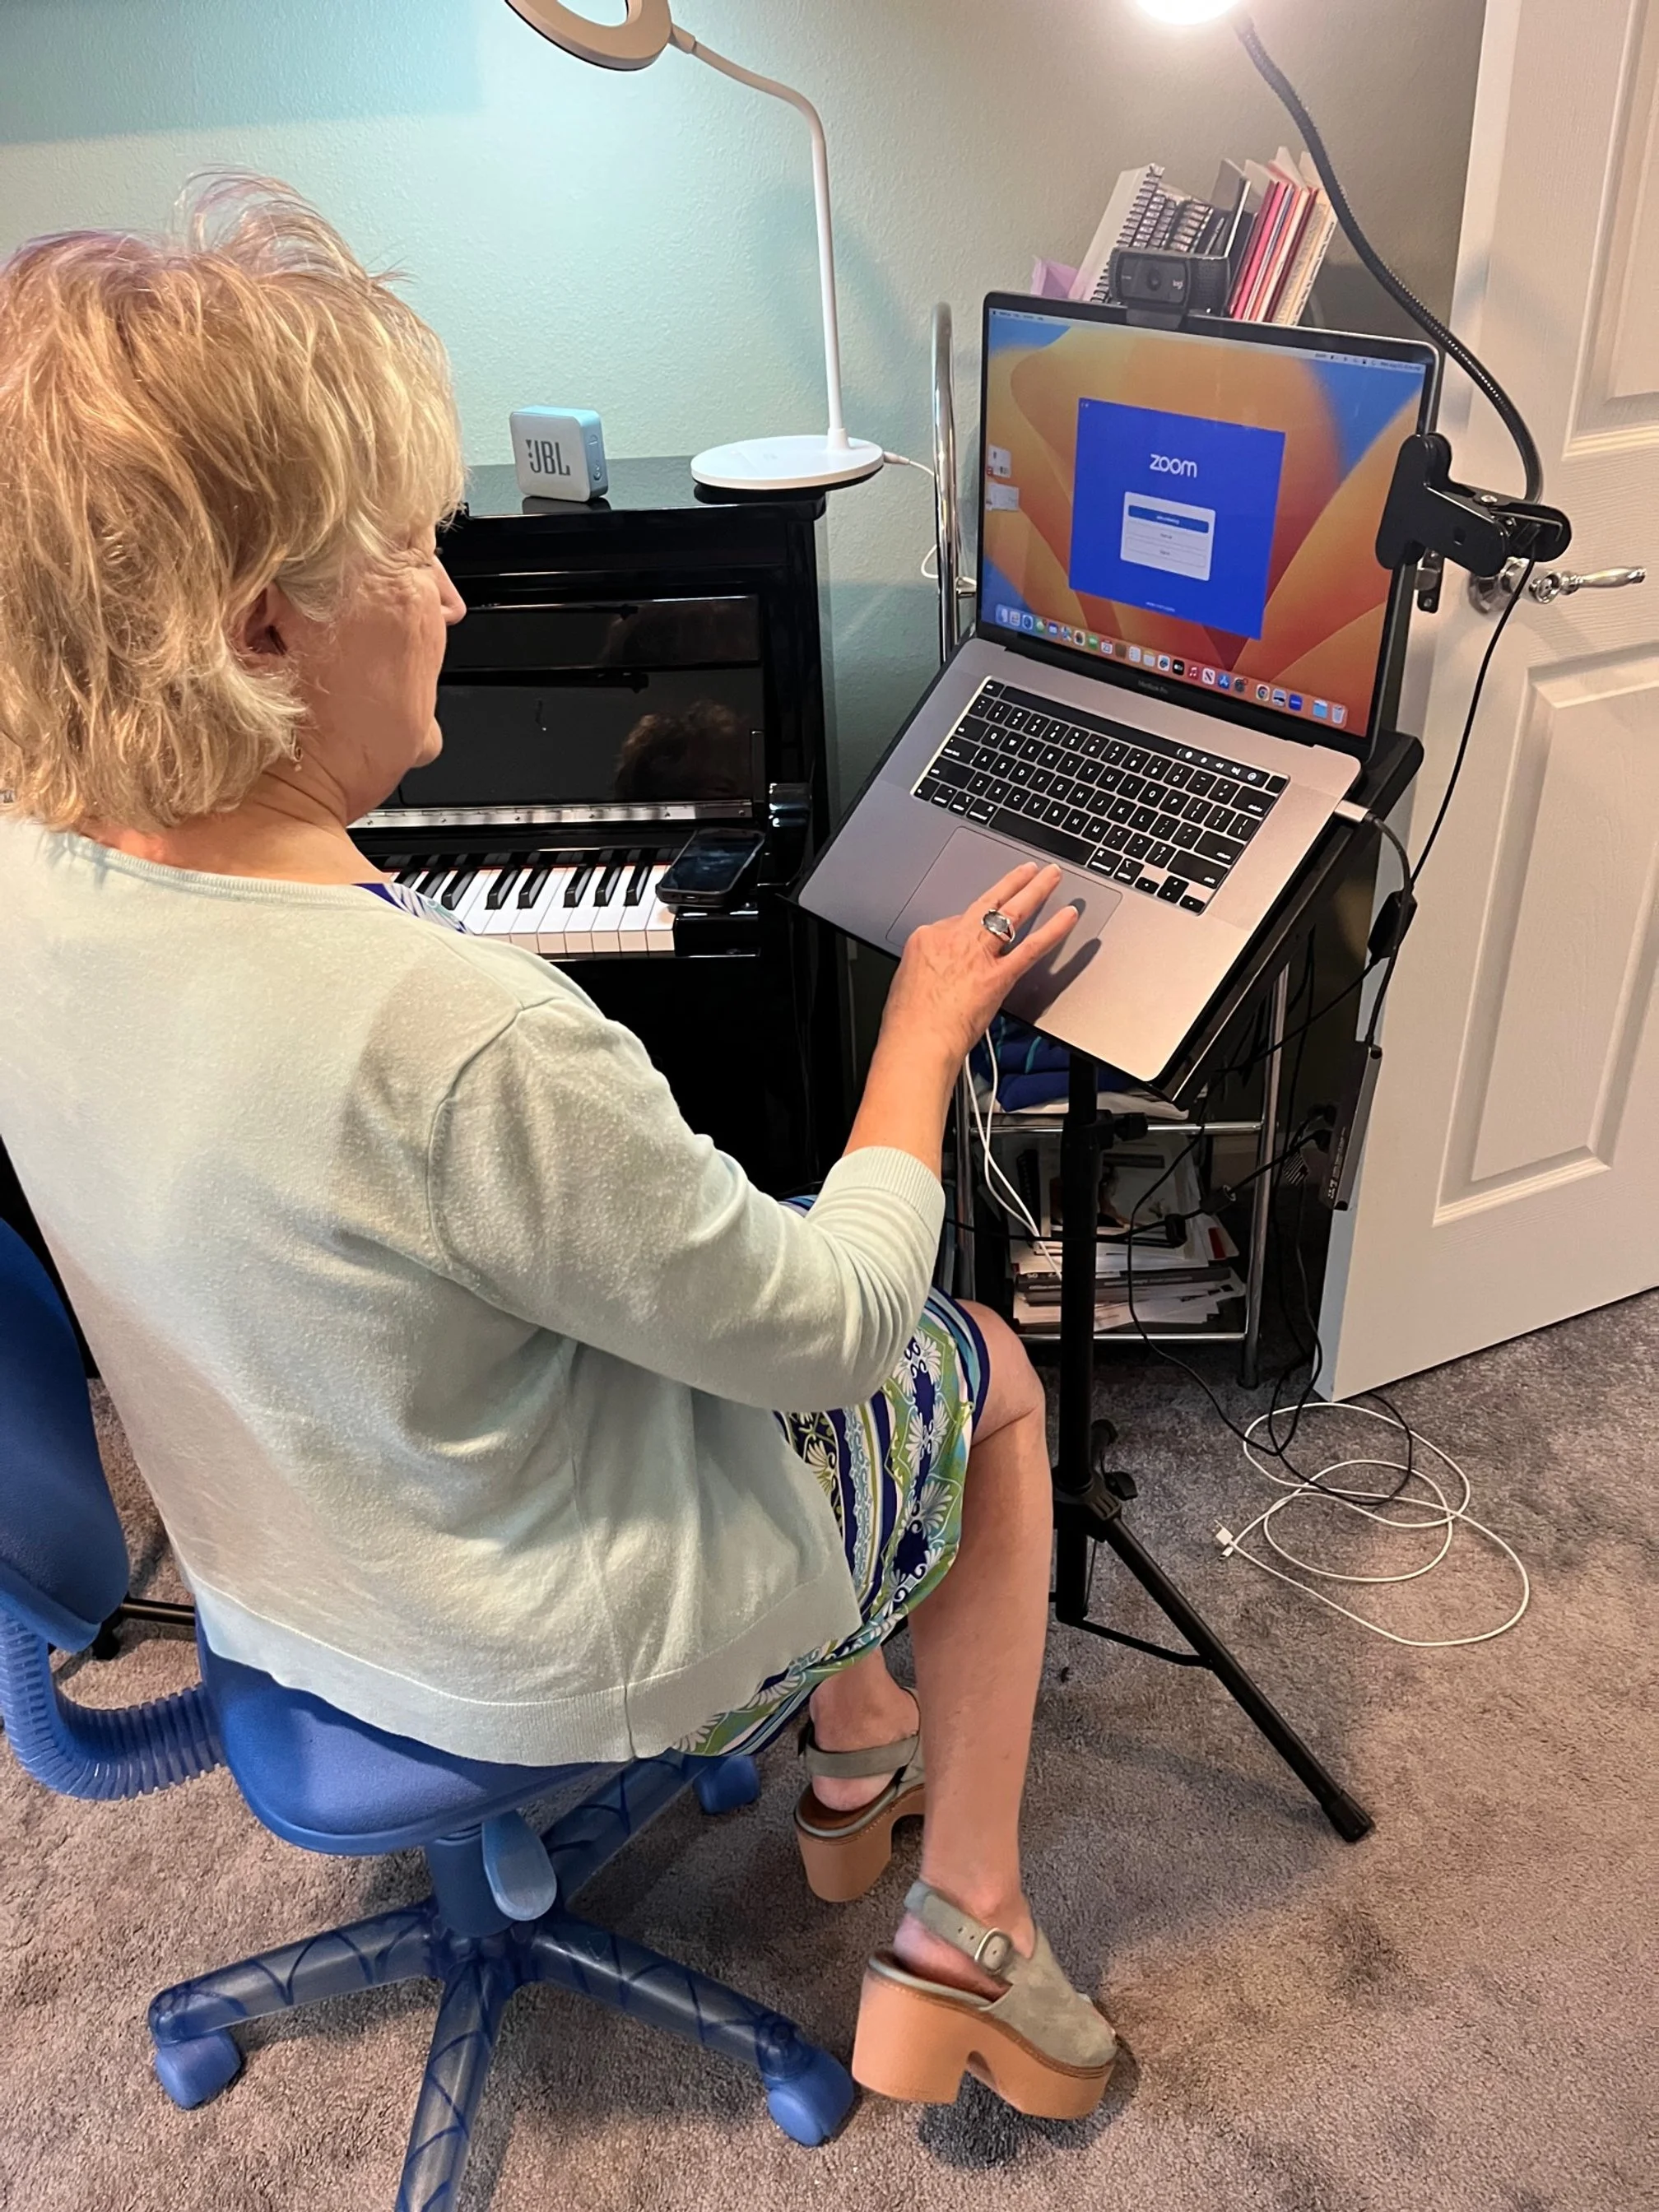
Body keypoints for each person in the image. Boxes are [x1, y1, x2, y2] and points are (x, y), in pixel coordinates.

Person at [0, 179, 1113, 2118]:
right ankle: (971, 1927)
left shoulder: (33, 880)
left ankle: (857, 1741)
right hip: (516, 1643)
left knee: (711, 1272)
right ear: (262, 625)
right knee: (981, 1379)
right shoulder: (459, 1035)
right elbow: (843, 1328)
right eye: (417, 552)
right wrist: (923, 1031)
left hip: (280, 1552)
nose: (451, 593)